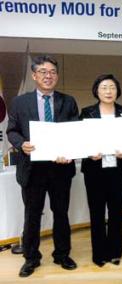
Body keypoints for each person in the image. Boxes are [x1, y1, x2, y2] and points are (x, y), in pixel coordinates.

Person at [7, 55, 78, 277]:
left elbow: (76, 133)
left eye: (53, 72)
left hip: (60, 168)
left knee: (61, 213)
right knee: (32, 214)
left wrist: (69, 152)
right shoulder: (20, 102)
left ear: (57, 76)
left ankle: (62, 255)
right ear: (34, 75)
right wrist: (21, 144)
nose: (49, 76)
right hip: (32, 169)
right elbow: (12, 131)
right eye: (44, 72)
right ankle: (31, 258)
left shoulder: (68, 101)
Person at [79, 74, 122, 267]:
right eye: (104, 87)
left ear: (117, 91)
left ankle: (115, 251)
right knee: (97, 212)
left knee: (116, 212)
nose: (108, 91)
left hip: (117, 170)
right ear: (96, 91)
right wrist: (89, 152)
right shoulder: (87, 112)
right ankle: (99, 253)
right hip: (94, 170)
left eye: (112, 87)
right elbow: (80, 141)